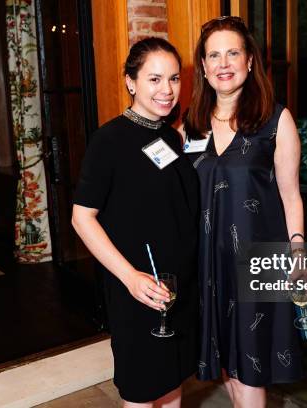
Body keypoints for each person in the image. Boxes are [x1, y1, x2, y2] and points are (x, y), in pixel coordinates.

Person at [181, 16, 304, 407]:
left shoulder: (276, 120)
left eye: (233, 52)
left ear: (250, 60)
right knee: (226, 366)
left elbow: (291, 196)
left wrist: (299, 256)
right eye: (213, 55)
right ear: (202, 66)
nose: (223, 62)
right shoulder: (191, 126)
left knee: (250, 370)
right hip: (205, 268)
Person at [71, 37, 199, 407]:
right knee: (142, 392)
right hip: (139, 290)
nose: (167, 90)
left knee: (172, 384)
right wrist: (130, 278)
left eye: (174, 79)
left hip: (177, 288)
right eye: (154, 79)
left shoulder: (171, 135)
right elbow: (82, 218)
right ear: (131, 81)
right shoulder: (108, 141)